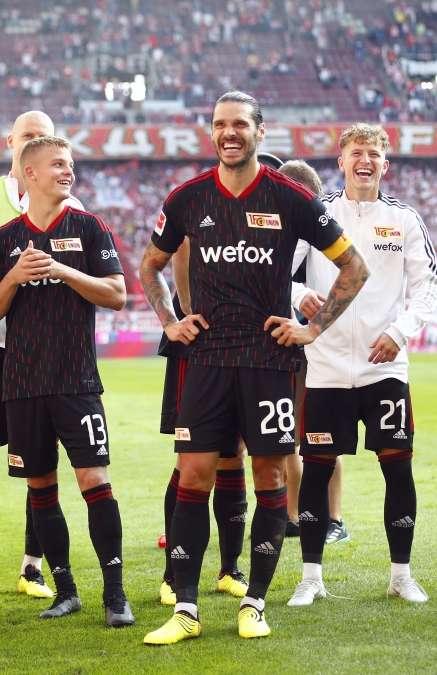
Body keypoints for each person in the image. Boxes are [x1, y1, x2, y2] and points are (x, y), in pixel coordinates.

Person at [139, 91, 369, 644]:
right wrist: (171, 321)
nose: (229, 133)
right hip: (208, 361)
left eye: (239, 124)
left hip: (269, 363)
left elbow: (353, 268)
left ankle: (255, 602)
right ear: (212, 133)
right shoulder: (188, 198)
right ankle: (186, 609)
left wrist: (312, 328)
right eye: (220, 125)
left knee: (268, 477)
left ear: (259, 132)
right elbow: (150, 266)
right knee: (193, 476)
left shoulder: (290, 199)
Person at [0, 135, 133, 627]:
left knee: (94, 482)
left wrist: (62, 269)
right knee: (40, 487)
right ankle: (65, 589)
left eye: (70, 164)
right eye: (58, 165)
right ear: (31, 174)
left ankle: (115, 594)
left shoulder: (89, 228)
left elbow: (116, 294)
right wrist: (13, 278)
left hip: (76, 381)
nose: (68, 172)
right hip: (21, 385)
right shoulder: (3, 240)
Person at [286, 124, 437, 607]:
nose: (365, 161)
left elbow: (428, 287)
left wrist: (399, 332)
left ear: (384, 164)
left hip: (384, 367)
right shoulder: (317, 213)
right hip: (326, 365)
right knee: (316, 470)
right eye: (357, 153)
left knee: (397, 469)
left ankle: (401, 575)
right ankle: (311, 577)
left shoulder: (406, 220)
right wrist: (298, 295)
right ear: (341, 161)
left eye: (374, 154)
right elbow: (277, 271)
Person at [0, 111, 83, 601]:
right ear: (13, 145)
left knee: (39, 465)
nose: (37, 143)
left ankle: (31, 567)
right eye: (29, 136)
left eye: (45, 137)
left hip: (45, 358)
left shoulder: (73, 205)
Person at [157, 241, 249, 605]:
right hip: (197, 342)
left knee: (233, 452)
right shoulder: (204, 197)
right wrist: (190, 307)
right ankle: (172, 576)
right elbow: (180, 245)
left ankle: (229, 570)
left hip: (242, 341)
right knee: (191, 460)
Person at [275, 159, 348, 544]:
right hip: (282, 343)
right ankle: (295, 515)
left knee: (320, 434)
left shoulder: (326, 231)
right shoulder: (275, 230)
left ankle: (333, 518)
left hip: (319, 345)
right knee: (287, 434)